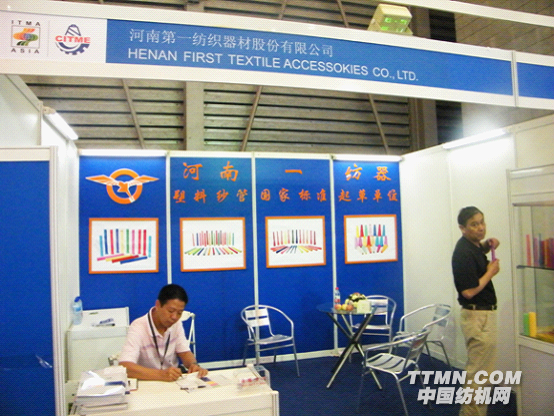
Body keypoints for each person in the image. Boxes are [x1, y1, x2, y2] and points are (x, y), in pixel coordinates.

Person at [451, 206, 500, 416]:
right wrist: (490, 272)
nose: (480, 228)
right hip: (478, 317)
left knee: (481, 374)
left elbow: (477, 253)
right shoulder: (462, 253)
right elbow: (469, 291)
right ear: (462, 228)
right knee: (478, 376)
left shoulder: (473, 246)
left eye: (482, 222)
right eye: (474, 224)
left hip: (482, 315)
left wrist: (488, 246)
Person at [119, 284, 208, 381]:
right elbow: (125, 366)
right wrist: (161, 375)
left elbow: (184, 352)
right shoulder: (138, 327)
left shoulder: (176, 324)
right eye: (171, 311)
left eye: (179, 313)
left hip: (172, 380)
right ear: (158, 305)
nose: (174, 317)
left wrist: (194, 365)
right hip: (148, 381)